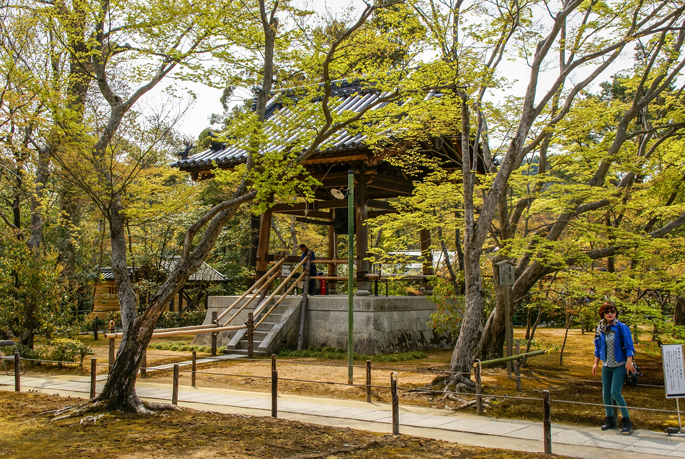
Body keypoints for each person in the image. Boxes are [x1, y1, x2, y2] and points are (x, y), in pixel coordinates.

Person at [592, 301, 636, 434]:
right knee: (605, 393)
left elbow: (629, 346)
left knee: (615, 392)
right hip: (606, 365)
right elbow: (597, 347)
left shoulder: (621, 327)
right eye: (607, 312)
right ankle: (609, 418)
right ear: (602, 314)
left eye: (612, 311)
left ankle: (627, 420)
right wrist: (596, 363)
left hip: (619, 364)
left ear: (616, 313)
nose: (610, 314)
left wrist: (629, 361)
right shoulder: (600, 329)